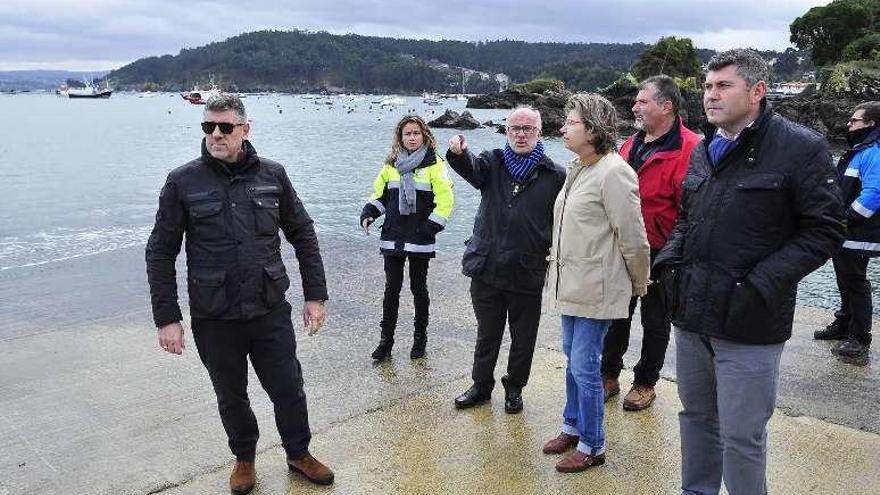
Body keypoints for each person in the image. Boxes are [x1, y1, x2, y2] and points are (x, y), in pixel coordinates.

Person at [654, 49, 844, 494]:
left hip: (750, 318)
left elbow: (826, 230)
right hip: (693, 312)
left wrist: (758, 283)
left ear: (757, 91)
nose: (710, 95)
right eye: (706, 86)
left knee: (742, 434)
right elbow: (687, 215)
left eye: (723, 86)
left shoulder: (802, 148)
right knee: (696, 417)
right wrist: (669, 264)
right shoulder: (705, 149)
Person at [145, 94, 334, 494]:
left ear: (245, 130)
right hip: (215, 315)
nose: (215, 134)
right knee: (231, 395)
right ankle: (244, 459)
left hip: (268, 308)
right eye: (208, 127)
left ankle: (298, 453)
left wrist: (315, 296)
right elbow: (161, 250)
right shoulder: (183, 181)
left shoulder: (273, 175)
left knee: (288, 387)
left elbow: (302, 233)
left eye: (225, 127)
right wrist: (167, 317)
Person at [541, 93, 650, 473]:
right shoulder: (579, 168)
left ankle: (593, 444)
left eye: (571, 122)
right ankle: (572, 426)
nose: (563, 127)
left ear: (593, 128)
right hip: (570, 284)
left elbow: (633, 236)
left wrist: (639, 282)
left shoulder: (613, 171)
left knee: (585, 366)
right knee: (573, 360)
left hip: (598, 287)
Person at [446, 106, 565, 414]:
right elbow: (470, 167)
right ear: (507, 131)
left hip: (527, 270)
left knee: (523, 339)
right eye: (515, 128)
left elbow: (567, 220)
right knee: (488, 334)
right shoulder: (492, 162)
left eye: (527, 128)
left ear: (539, 132)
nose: (521, 134)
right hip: (486, 266)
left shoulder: (555, 175)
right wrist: (458, 153)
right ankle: (480, 386)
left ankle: (514, 388)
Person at [602, 75, 702, 411]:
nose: (635, 107)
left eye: (643, 101)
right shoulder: (631, 143)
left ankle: (645, 383)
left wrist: (674, 253)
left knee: (655, 320)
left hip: (663, 250)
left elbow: (691, 209)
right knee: (616, 314)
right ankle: (609, 375)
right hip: (624, 246)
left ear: (666, 106)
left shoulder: (690, 148)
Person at [360, 115, 454, 361]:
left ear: (424, 136)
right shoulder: (391, 165)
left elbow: (445, 201)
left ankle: (419, 339)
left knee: (418, 288)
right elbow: (380, 196)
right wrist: (369, 213)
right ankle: (385, 342)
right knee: (391, 289)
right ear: (400, 138)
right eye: (407, 134)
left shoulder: (435, 164)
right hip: (393, 237)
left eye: (416, 133)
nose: (412, 137)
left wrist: (430, 228)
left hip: (420, 237)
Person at [815, 101, 880, 363]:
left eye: (855, 121)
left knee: (855, 283)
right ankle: (844, 324)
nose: (849, 125)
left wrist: (845, 219)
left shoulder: (873, 152)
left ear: (871, 124)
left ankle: (859, 337)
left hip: (858, 234)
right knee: (845, 279)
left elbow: (874, 194)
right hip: (847, 233)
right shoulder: (860, 150)